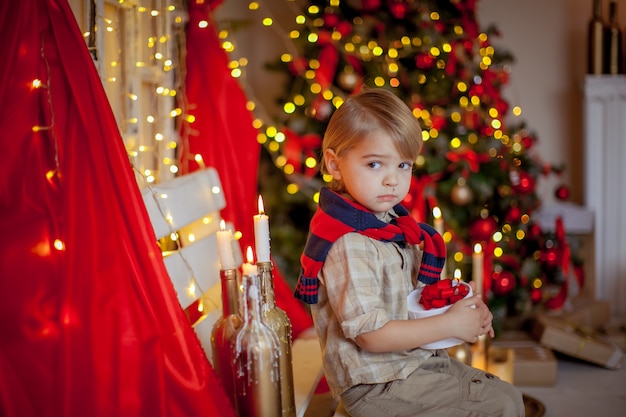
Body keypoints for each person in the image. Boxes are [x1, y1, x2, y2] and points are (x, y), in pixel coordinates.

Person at [294, 88, 524, 417]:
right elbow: (370, 335)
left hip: (414, 364)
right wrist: (449, 326)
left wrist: (463, 310)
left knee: (508, 397)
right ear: (334, 164)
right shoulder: (349, 241)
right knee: (496, 406)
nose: (393, 180)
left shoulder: (393, 223)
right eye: (375, 164)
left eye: (404, 164)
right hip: (376, 386)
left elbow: (419, 298)